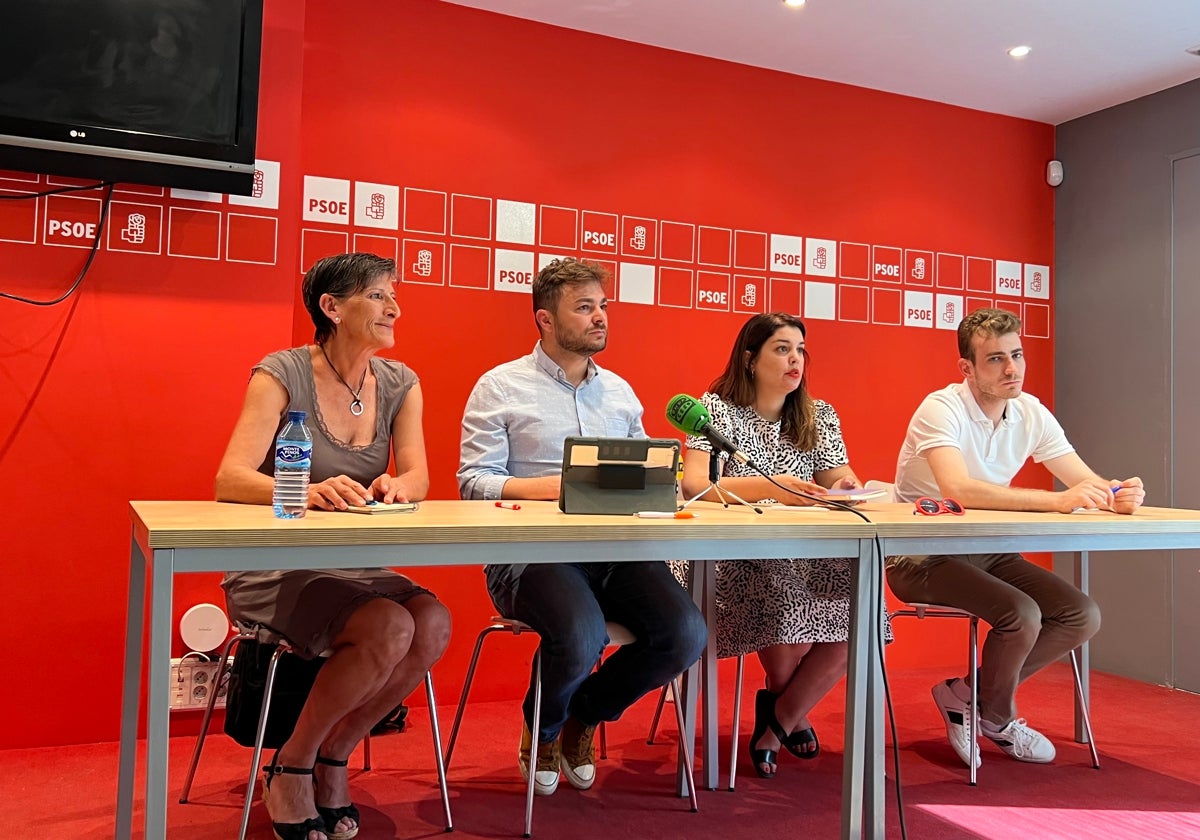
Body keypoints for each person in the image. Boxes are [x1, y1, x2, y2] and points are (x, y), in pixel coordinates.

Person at [215, 252, 451, 840]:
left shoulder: (401, 384)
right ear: (332, 307)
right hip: (275, 565)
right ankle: (290, 764)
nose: (393, 306)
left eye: (393, 294)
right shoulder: (281, 373)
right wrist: (305, 491)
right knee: (389, 628)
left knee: (434, 622)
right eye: (377, 295)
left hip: (354, 563)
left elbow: (419, 476)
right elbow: (231, 478)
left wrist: (396, 485)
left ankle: (333, 754)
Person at [457, 257, 707, 797]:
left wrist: (668, 485)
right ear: (545, 319)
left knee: (686, 634)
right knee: (580, 634)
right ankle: (544, 729)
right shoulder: (500, 386)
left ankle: (582, 715)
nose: (600, 318)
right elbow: (473, 481)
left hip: (617, 553)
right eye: (584, 307)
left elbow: (644, 476)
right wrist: (555, 485)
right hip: (532, 557)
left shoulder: (619, 392)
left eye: (603, 307)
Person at [888, 307, 1145, 767]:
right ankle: (997, 718)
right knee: (1022, 614)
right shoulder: (940, 408)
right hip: (919, 554)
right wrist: (1060, 501)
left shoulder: (1030, 411)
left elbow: (1086, 481)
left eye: (1018, 355)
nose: (1012, 369)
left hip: (990, 550)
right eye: (995, 359)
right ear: (967, 368)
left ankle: (965, 694)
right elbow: (959, 490)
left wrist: (1118, 492)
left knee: (1080, 615)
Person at [676, 311, 884, 779]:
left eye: (800, 351)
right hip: (729, 554)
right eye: (782, 349)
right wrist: (776, 487)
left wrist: (848, 485)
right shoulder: (714, 411)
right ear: (750, 359)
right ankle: (788, 715)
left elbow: (834, 477)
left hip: (802, 549)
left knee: (863, 609)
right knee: (786, 610)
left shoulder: (818, 414)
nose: (796, 360)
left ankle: (777, 719)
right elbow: (694, 485)